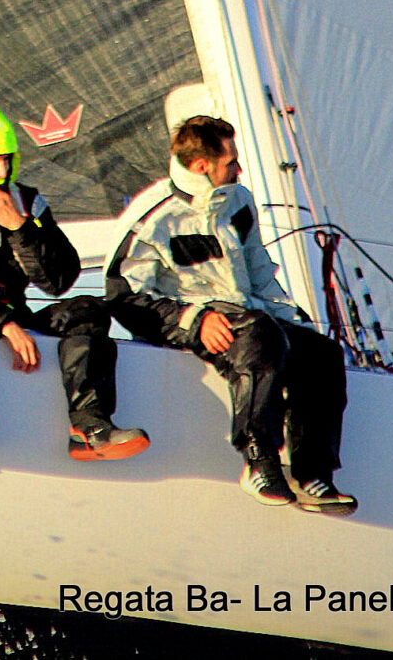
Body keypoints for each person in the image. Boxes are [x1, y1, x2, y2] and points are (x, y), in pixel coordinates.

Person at [106, 113, 356, 514]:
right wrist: (193, 321)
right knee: (260, 333)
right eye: (231, 162)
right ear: (201, 166)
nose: (239, 169)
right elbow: (123, 298)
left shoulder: (237, 200)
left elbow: (259, 270)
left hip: (246, 315)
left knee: (321, 352)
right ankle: (259, 461)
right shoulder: (153, 217)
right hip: (185, 319)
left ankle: (313, 473)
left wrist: (294, 322)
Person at [0, 107, 148, 459]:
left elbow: (60, 281)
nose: (1, 172)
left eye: (6, 160)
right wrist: (3, 323)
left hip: (16, 314)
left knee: (88, 309)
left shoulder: (27, 202)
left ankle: (90, 427)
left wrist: (18, 226)